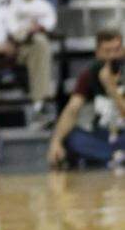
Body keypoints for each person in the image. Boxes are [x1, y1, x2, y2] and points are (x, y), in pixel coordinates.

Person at [48, 29, 125, 168]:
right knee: (71, 137)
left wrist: (111, 88)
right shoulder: (89, 74)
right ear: (97, 53)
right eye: (107, 51)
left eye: (117, 50)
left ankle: (108, 157)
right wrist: (56, 142)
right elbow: (72, 109)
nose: (113, 56)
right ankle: (114, 156)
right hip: (101, 135)